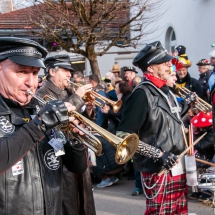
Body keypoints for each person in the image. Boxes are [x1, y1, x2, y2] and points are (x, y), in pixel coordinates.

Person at [0, 37, 88, 215]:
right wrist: (39, 125)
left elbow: (77, 167)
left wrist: (75, 141)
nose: (31, 83)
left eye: (34, 73)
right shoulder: (42, 116)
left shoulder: (39, 108)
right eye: (21, 72)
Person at [117, 41, 188, 214]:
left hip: (178, 166)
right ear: (150, 68)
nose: (168, 64)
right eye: (163, 62)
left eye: (168, 61)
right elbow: (122, 136)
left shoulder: (166, 91)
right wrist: (159, 155)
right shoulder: (141, 95)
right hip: (159, 170)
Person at [37, 54, 96, 215]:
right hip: (60, 156)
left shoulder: (68, 90)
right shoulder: (42, 93)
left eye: (70, 70)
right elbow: (55, 121)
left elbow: (82, 119)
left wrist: (89, 109)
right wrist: (77, 97)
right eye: (65, 70)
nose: (70, 74)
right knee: (68, 202)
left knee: (82, 199)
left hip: (77, 150)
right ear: (51, 72)